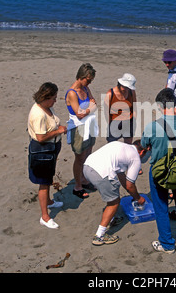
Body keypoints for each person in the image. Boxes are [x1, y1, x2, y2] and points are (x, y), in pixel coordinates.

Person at [141, 88, 176, 253]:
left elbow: (145, 144)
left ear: (159, 106)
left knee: (161, 206)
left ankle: (167, 243)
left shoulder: (152, 126)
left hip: (160, 170)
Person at [83, 140, 147, 246]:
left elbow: (122, 176)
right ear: (141, 152)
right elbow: (130, 185)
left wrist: (129, 191)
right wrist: (138, 198)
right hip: (101, 173)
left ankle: (111, 219)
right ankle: (99, 236)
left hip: (87, 167)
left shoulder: (121, 146)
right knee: (114, 202)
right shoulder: (135, 158)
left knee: (111, 194)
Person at [28, 82, 67, 229]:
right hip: (42, 150)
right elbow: (40, 137)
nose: (55, 101)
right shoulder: (38, 114)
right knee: (43, 183)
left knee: (48, 177)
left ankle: (49, 201)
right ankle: (45, 216)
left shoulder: (46, 107)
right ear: (45, 97)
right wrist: (58, 131)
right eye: (54, 98)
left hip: (51, 149)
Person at [65, 63, 98, 199]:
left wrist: (89, 109)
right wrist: (90, 109)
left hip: (89, 125)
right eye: (88, 80)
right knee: (79, 157)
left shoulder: (85, 88)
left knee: (88, 154)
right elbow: (80, 114)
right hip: (78, 128)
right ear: (81, 77)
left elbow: (94, 103)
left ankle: (84, 179)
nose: (89, 83)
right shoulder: (72, 93)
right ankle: (77, 185)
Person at [104, 73, 137, 144]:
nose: (125, 89)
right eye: (124, 86)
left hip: (129, 121)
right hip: (115, 123)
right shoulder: (110, 94)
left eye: (127, 87)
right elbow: (106, 112)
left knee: (128, 146)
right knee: (111, 146)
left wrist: (134, 119)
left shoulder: (131, 92)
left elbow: (134, 106)